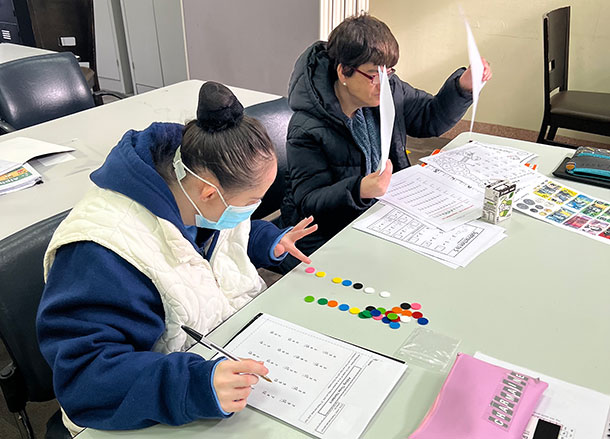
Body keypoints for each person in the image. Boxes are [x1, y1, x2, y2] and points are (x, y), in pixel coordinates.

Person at [36, 82, 317, 434]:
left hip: (216, 357)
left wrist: (267, 241)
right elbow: (86, 380)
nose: (253, 211)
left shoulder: (194, 179)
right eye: (252, 203)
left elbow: (227, 235)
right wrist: (191, 385)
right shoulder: (103, 253)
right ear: (209, 192)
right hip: (143, 405)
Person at [278, 14, 492, 272]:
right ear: (343, 71)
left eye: (388, 72)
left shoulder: (389, 89)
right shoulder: (307, 127)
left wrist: (463, 87)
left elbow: (429, 118)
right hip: (328, 230)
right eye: (372, 75)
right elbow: (309, 202)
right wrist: (359, 189)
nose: (383, 83)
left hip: (381, 213)